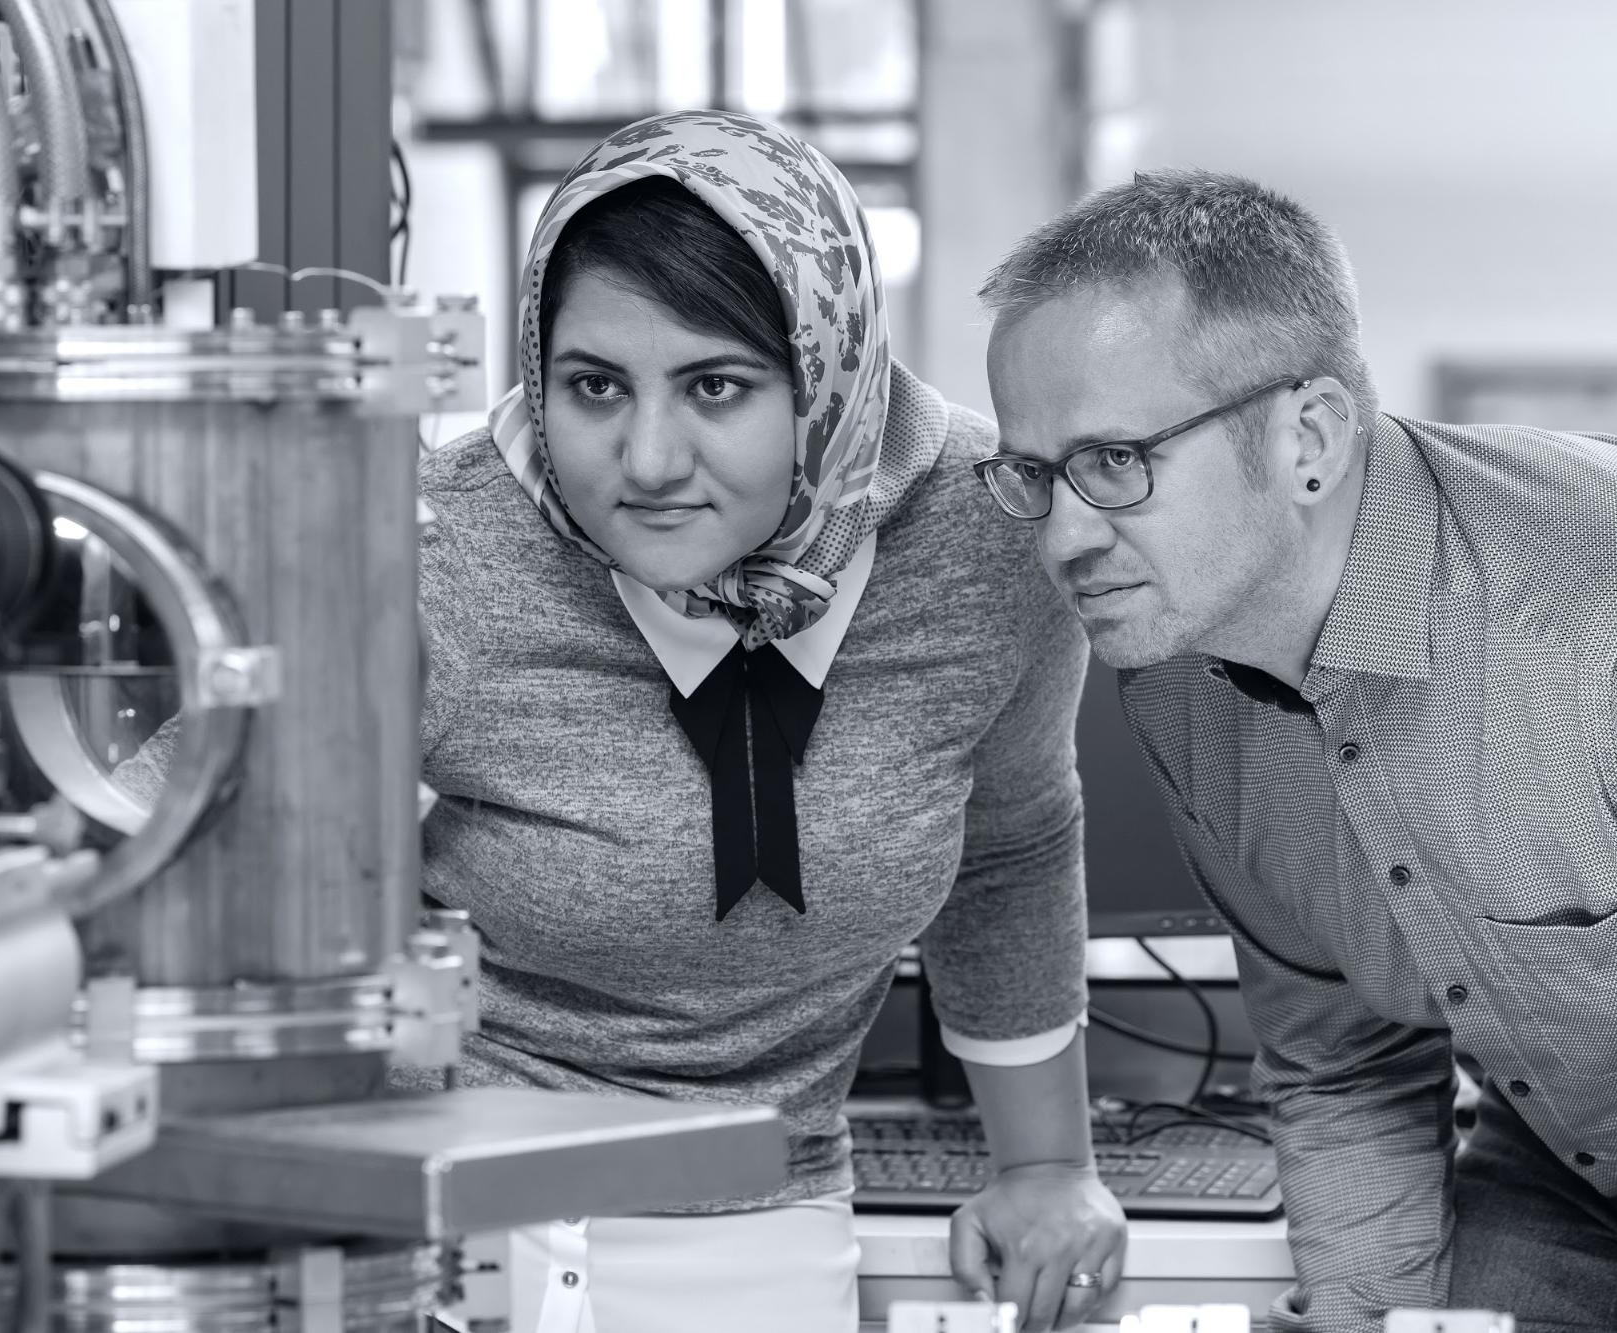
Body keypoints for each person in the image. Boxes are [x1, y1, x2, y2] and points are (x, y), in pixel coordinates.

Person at [413, 110, 1133, 1332]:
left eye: (716, 386)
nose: (644, 459)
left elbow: (1008, 844)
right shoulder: (438, 539)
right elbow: (232, 842)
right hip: (449, 1193)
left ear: (827, 371)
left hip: (771, 1202)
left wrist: (1044, 1167)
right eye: (592, 387)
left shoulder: (979, 533)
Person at [974, 168, 1617, 1333]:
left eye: (1116, 461)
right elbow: (1344, 1059)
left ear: (1311, 437)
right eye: (1034, 476)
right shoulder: (1178, 678)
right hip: (1569, 1175)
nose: (1064, 538)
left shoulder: (1608, 620)